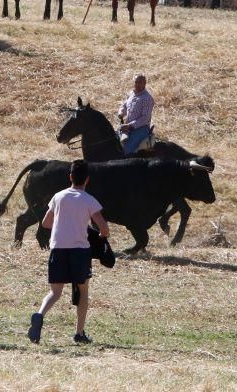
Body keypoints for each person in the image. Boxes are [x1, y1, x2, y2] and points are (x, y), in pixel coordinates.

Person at [27, 159, 109, 345]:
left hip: (58, 248)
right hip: (79, 251)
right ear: (87, 180)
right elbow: (104, 228)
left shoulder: (58, 197)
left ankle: (39, 315)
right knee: (82, 290)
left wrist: (63, 224)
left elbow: (46, 223)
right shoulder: (89, 200)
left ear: (70, 177)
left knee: (55, 292)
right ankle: (79, 333)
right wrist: (99, 235)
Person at [118, 74, 155, 155]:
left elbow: (145, 118)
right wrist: (121, 112)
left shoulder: (147, 98)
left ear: (144, 83)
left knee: (127, 150)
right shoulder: (131, 93)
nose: (137, 84)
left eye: (140, 82)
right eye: (136, 82)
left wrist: (129, 125)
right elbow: (124, 105)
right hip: (127, 127)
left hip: (141, 128)